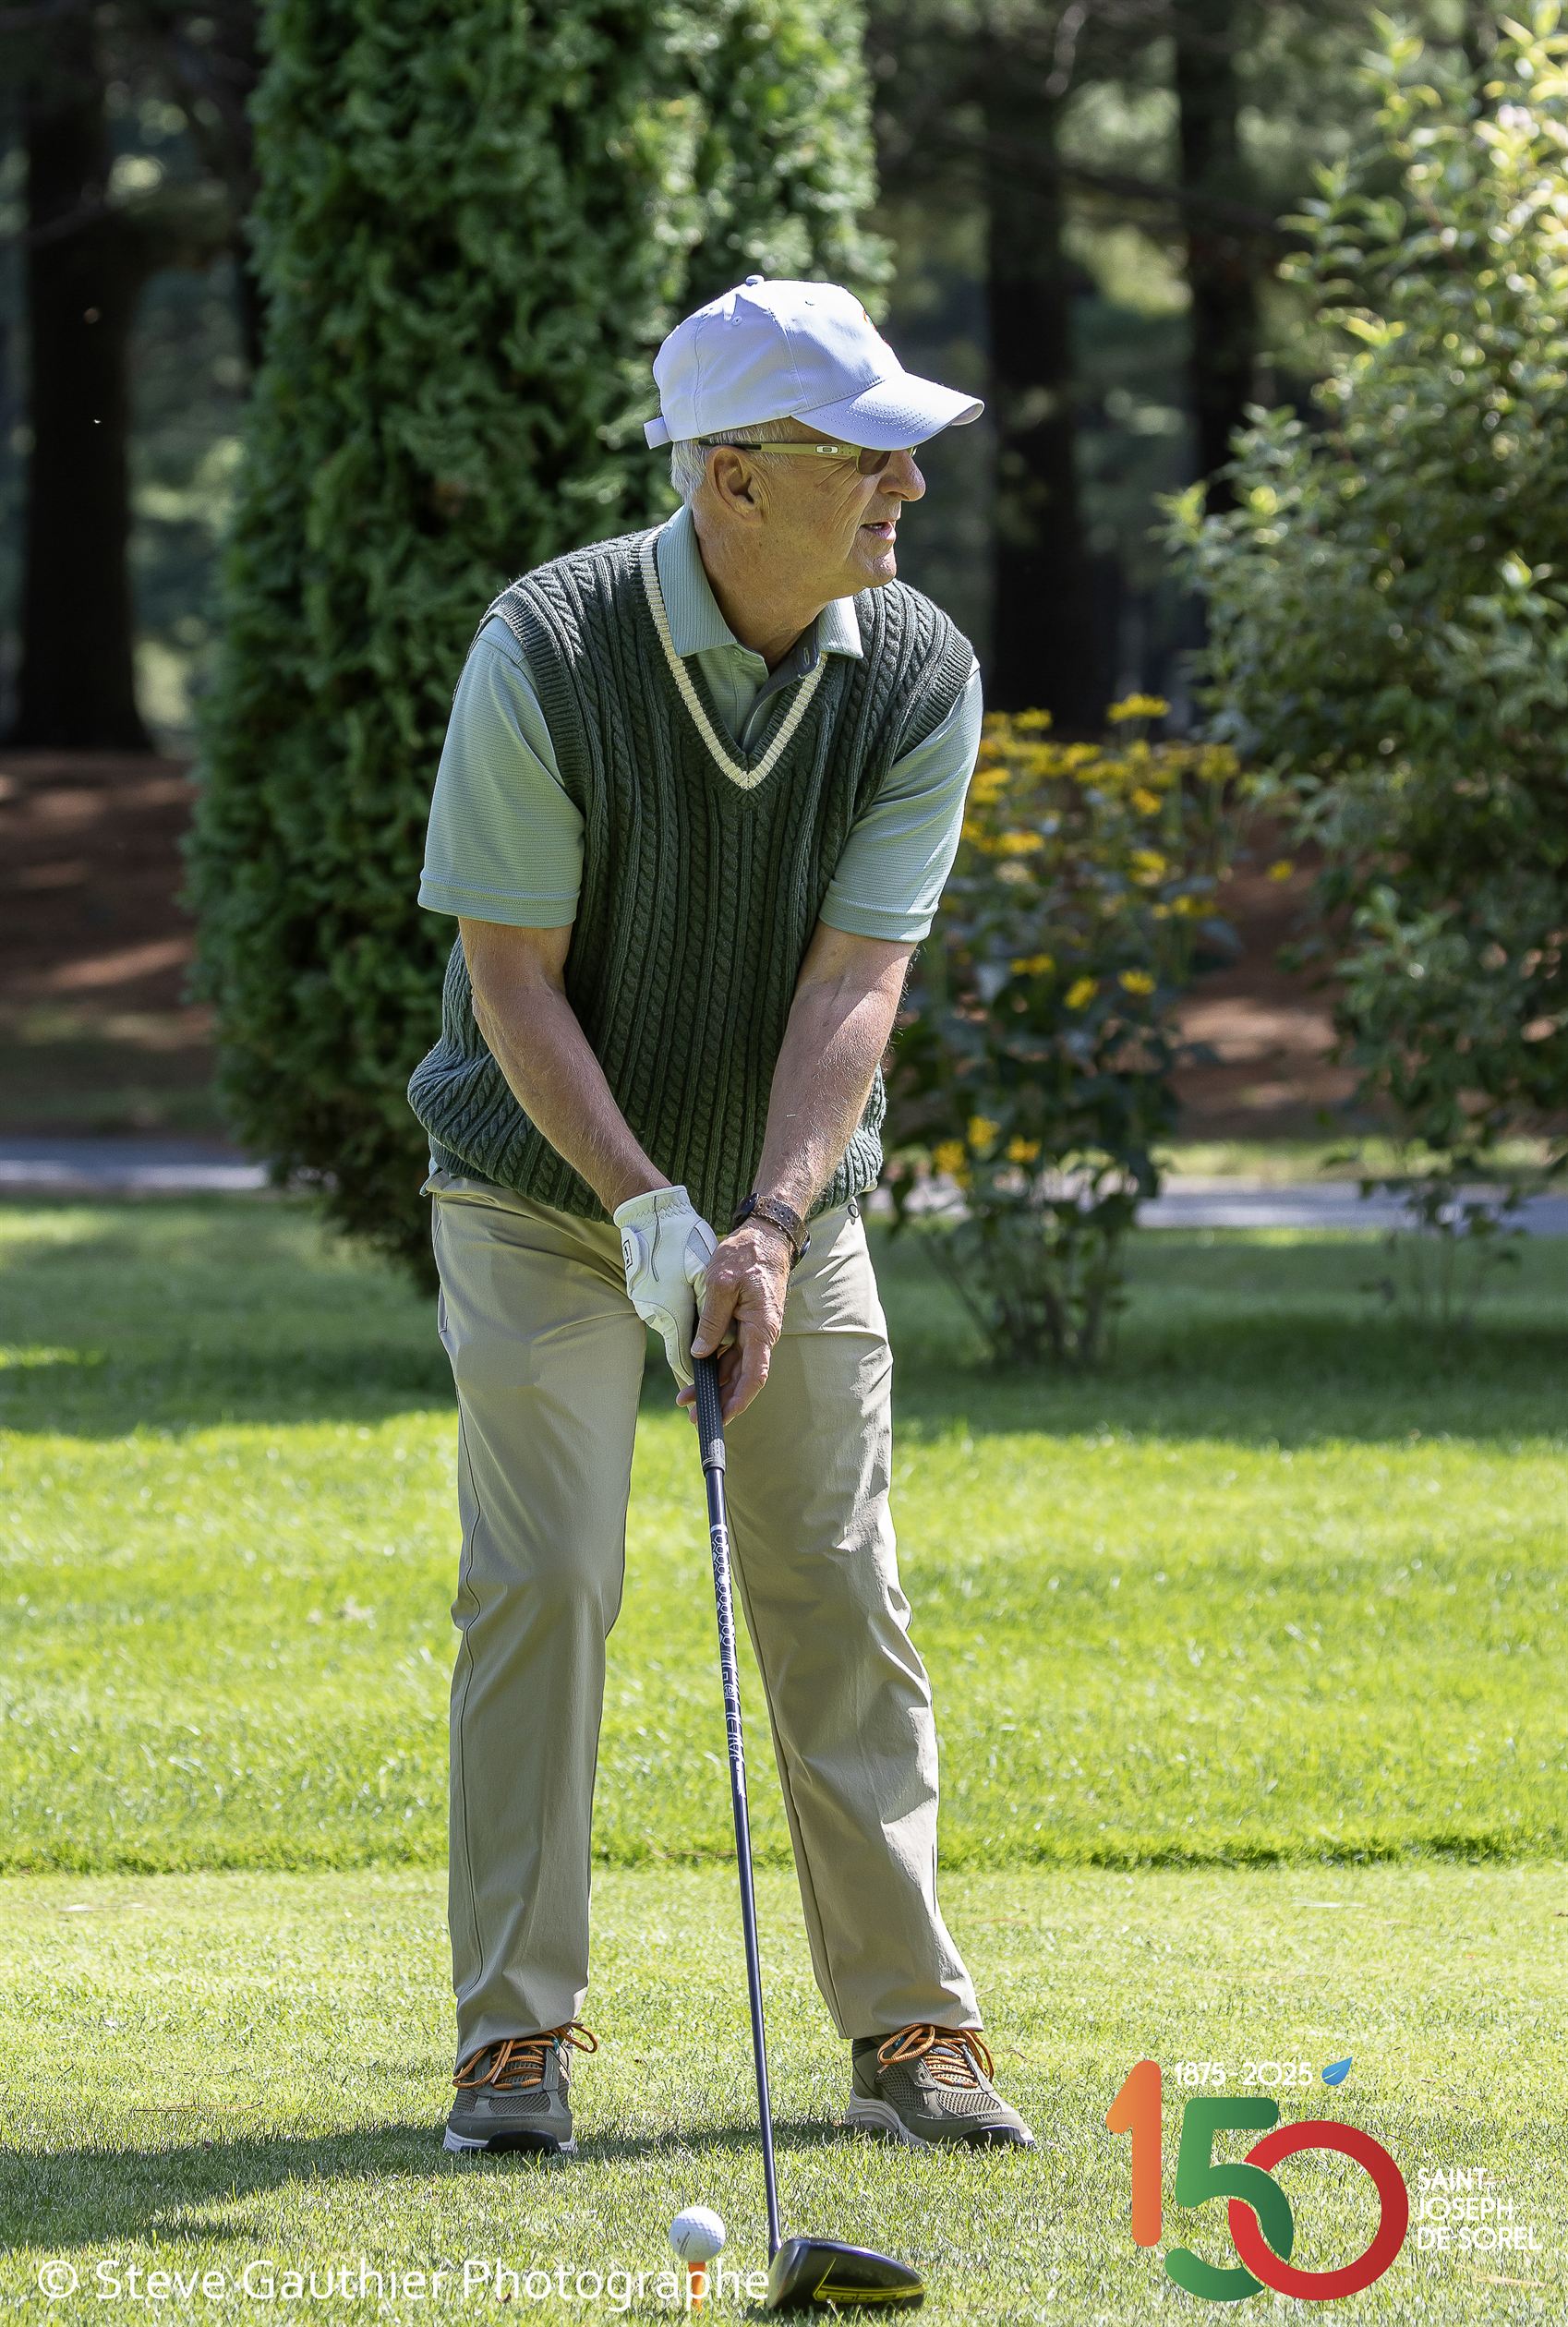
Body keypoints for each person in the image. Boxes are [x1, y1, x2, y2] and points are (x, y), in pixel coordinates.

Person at [406, 274, 1034, 2158]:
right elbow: (511, 980)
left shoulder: (916, 668)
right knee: (549, 1577)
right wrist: (644, 1208)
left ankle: (912, 2024)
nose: (908, 484)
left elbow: (856, 980)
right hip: (541, 1192)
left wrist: (758, 1224)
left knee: (835, 1576)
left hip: (786, 1201)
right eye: (866, 455)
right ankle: (513, 2039)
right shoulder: (547, 648)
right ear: (732, 477)